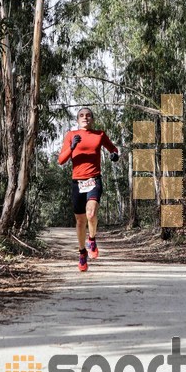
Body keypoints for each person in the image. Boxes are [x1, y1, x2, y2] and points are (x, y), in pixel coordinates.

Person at [58, 107, 119, 271]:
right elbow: (61, 160)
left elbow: (113, 148)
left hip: (94, 180)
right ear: (77, 120)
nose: (85, 118)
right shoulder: (71, 135)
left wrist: (114, 154)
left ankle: (92, 239)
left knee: (91, 213)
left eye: (88, 115)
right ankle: (82, 252)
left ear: (92, 119)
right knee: (80, 221)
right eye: (82, 116)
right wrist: (72, 147)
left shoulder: (99, 134)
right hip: (77, 182)